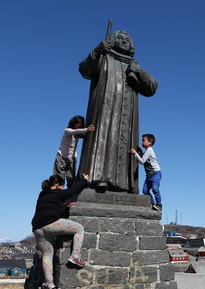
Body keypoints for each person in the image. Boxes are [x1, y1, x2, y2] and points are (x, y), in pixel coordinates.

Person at [77, 30, 158, 193]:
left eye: (127, 40)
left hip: (127, 117)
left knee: (124, 145)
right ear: (111, 42)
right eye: (119, 38)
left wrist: (140, 71)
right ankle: (99, 178)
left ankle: (125, 185)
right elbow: (84, 70)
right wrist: (97, 51)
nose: (123, 41)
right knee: (104, 141)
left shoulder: (133, 65)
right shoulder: (104, 58)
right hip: (105, 111)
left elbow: (152, 88)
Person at [31, 173, 89, 289]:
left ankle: (49, 283)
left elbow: (52, 206)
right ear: (58, 185)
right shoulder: (58, 192)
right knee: (79, 229)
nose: (63, 190)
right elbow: (73, 189)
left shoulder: (42, 194)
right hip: (51, 224)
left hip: (37, 228)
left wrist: (64, 206)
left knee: (47, 254)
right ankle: (75, 255)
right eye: (62, 187)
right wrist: (84, 181)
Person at [53, 115, 95, 188]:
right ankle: (59, 194)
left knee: (71, 178)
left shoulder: (78, 135)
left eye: (80, 127)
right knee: (59, 179)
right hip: (61, 157)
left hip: (72, 159)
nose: (78, 128)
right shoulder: (67, 131)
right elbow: (75, 131)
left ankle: (70, 194)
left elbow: (80, 133)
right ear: (73, 124)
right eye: (76, 126)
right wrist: (87, 129)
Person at [131, 134, 162, 211]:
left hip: (155, 173)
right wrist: (140, 152)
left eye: (143, 140)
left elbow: (142, 161)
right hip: (149, 175)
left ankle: (159, 204)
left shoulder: (149, 150)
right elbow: (144, 158)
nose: (142, 142)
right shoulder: (146, 151)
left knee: (155, 188)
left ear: (150, 142)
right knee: (145, 191)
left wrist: (135, 153)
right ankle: (153, 204)